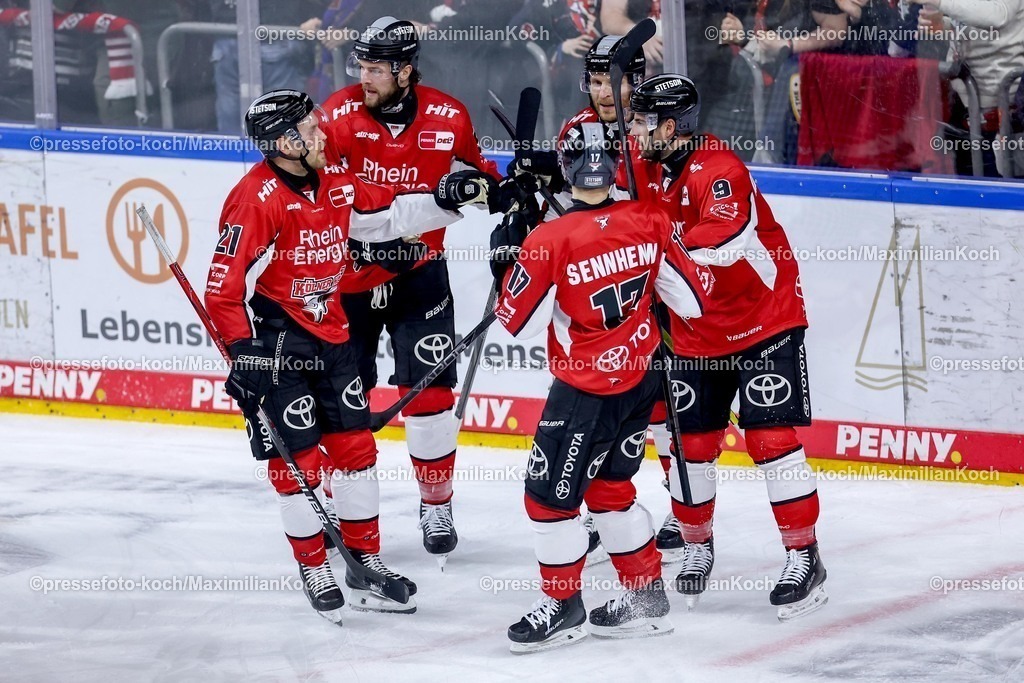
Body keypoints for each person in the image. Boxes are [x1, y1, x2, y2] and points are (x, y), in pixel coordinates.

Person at [204, 88, 493, 621]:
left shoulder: (334, 183)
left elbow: (391, 211)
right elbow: (224, 289)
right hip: (280, 345)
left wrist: (453, 197)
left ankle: (364, 566)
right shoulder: (256, 199)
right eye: (311, 130)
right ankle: (314, 566)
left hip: (334, 336)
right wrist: (244, 353)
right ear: (285, 143)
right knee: (298, 465)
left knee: (357, 453)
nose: (323, 135)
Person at [493, 121, 713, 653]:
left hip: (584, 393)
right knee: (611, 492)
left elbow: (515, 320)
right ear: (614, 167)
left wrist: (507, 254)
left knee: (548, 501)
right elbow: (693, 300)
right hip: (639, 380)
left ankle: (563, 606)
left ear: (567, 168)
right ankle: (646, 598)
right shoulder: (651, 219)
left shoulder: (550, 238)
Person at [626, 74, 827, 621]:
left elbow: (725, 236)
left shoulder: (720, 169)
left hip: (763, 321)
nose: (634, 129)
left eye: (642, 120)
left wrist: (655, 251)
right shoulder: (644, 163)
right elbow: (596, 203)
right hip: (696, 329)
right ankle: (697, 544)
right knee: (690, 444)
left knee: (770, 439)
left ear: (671, 126)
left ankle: (804, 556)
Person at [321, 16, 501, 569]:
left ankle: (437, 505)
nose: (364, 77)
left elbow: (477, 179)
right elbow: (332, 203)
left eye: (376, 69)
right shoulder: (336, 117)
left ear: (405, 70)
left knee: (430, 396)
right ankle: (339, 503)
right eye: (361, 66)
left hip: (420, 276)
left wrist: (501, 190)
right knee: (341, 399)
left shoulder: (449, 116)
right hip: (348, 280)